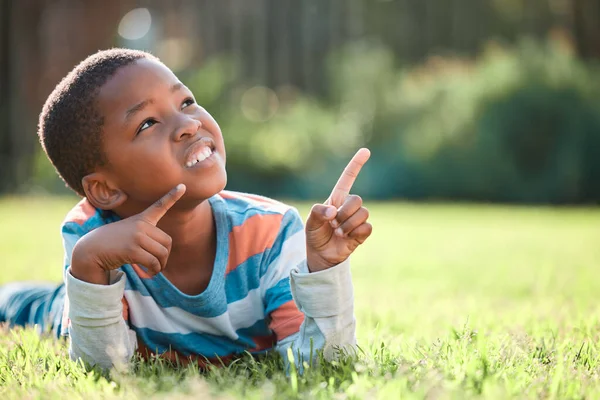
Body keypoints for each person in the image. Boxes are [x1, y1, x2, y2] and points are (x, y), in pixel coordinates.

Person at [0, 48, 372, 371]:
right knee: (30, 307)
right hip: (64, 311)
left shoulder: (272, 234)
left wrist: (324, 271)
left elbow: (323, 363)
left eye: (186, 102)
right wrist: (87, 265)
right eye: (148, 123)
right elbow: (103, 367)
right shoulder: (91, 235)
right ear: (105, 189)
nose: (188, 124)